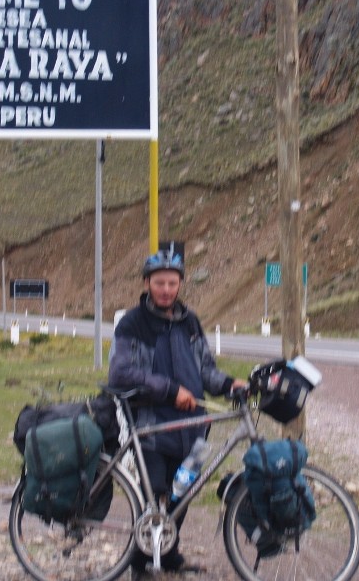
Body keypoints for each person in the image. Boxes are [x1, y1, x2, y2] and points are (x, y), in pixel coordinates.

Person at [108, 247, 246, 577]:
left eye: (172, 283)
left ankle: (168, 554)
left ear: (180, 284)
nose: (167, 289)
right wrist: (170, 390)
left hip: (194, 429)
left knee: (182, 495)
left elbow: (206, 370)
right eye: (160, 283)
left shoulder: (190, 321)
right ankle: (140, 564)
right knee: (155, 496)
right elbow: (120, 372)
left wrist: (230, 385)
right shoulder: (133, 323)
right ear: (147, 283)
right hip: (152, 426)